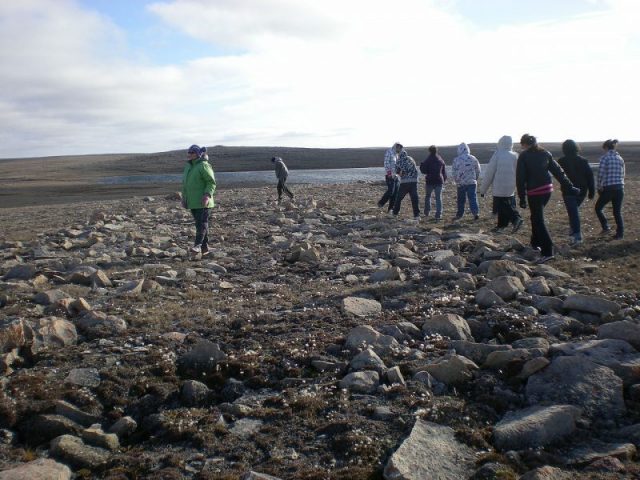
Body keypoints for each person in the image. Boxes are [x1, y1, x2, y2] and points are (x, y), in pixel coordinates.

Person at [516, 134, 580, 263]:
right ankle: (535, 243)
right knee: (535, 216)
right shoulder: (545, 153)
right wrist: (570, 186)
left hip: (534, 192)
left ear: (524, 144)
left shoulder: (523, 156)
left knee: (538, 219)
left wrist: (522, 197)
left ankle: (548, 251)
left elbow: (520, 177)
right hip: (547, 190)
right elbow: (558, 171)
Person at [479, 136, 523, 233]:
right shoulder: (515, 155)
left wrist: (483, 190)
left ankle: (516, 219)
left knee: (502, 205)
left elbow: (489, 173)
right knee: (507, 204)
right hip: (511, 185)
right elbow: (519, 172)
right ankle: (502, 225)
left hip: (499, 185)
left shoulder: (497, 155)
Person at [557, 139, 595, 245]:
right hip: (582, 190)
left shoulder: (561, 161)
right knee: (574, 211)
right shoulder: (583, 161)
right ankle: (574, 231)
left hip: (568, 191)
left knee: (573, 213)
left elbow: (559, 175)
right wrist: (592, 191)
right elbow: (590, 176)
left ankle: (577, 235)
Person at [182, 144, 216, 255]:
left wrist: (207, 195)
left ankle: (197, 246)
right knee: (199, 223)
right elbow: (185, 185)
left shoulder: (203, 165)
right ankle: (205, 248)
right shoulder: (189, 166)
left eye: (192, 152)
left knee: (202, 223)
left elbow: (211, 182)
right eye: (189, 152)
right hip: (193, 201)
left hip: (203, 201)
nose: (189, 154)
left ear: (198, 154)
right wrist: (184, 198)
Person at [595, 139, 625, 240]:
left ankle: (606, 227)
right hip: (620, 188)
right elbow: (623, 173)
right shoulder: (620, 158)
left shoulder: (605, 158)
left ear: (606, 148)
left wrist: (599, 186)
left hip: (609, 189)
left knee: (598, 208)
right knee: (617, 212)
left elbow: (600, 174)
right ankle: (620, 233)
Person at [452, 143, 481, 220]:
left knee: (461, 199)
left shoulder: (456, 159)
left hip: (461, 183)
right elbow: (478, 169)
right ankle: (475, 213)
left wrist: (456, 180)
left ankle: (459, 214)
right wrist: (475, 178)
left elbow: (454, 171)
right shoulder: (473, 158)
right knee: (472, 198)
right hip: (471, 182)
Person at [419, 145, 447, 221]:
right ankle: (438, 214)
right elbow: (444, 171)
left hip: (430, 181)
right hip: (439, 180)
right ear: (436, 150)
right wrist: (444, 179)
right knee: (438, 198)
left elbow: (423, 171)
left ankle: (427, 212)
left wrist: (421, 165)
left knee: (428, 196)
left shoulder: (428, 160)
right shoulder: (440, 159)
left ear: (429, 151)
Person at [392, 151, 420, 220]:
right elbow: (415, 169)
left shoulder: (399, 161)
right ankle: (417, 215)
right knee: (414, 199)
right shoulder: (411, 159)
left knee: (398, 198)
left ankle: (395, 213)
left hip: (404, 182)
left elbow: (397, 172)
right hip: (414, 181)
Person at [378, 143, 403, 211]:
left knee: (395, 193)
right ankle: (381, 203)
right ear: (396, 147)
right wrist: (389, 173)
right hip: (390, 175)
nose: (400, 150)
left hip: (396, 176)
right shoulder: (389, 152)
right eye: (399, 148)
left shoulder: (397, 155)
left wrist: (399, 172)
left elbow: (397, 165)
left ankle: (391, 209)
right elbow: (386, 163)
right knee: (391, 191)